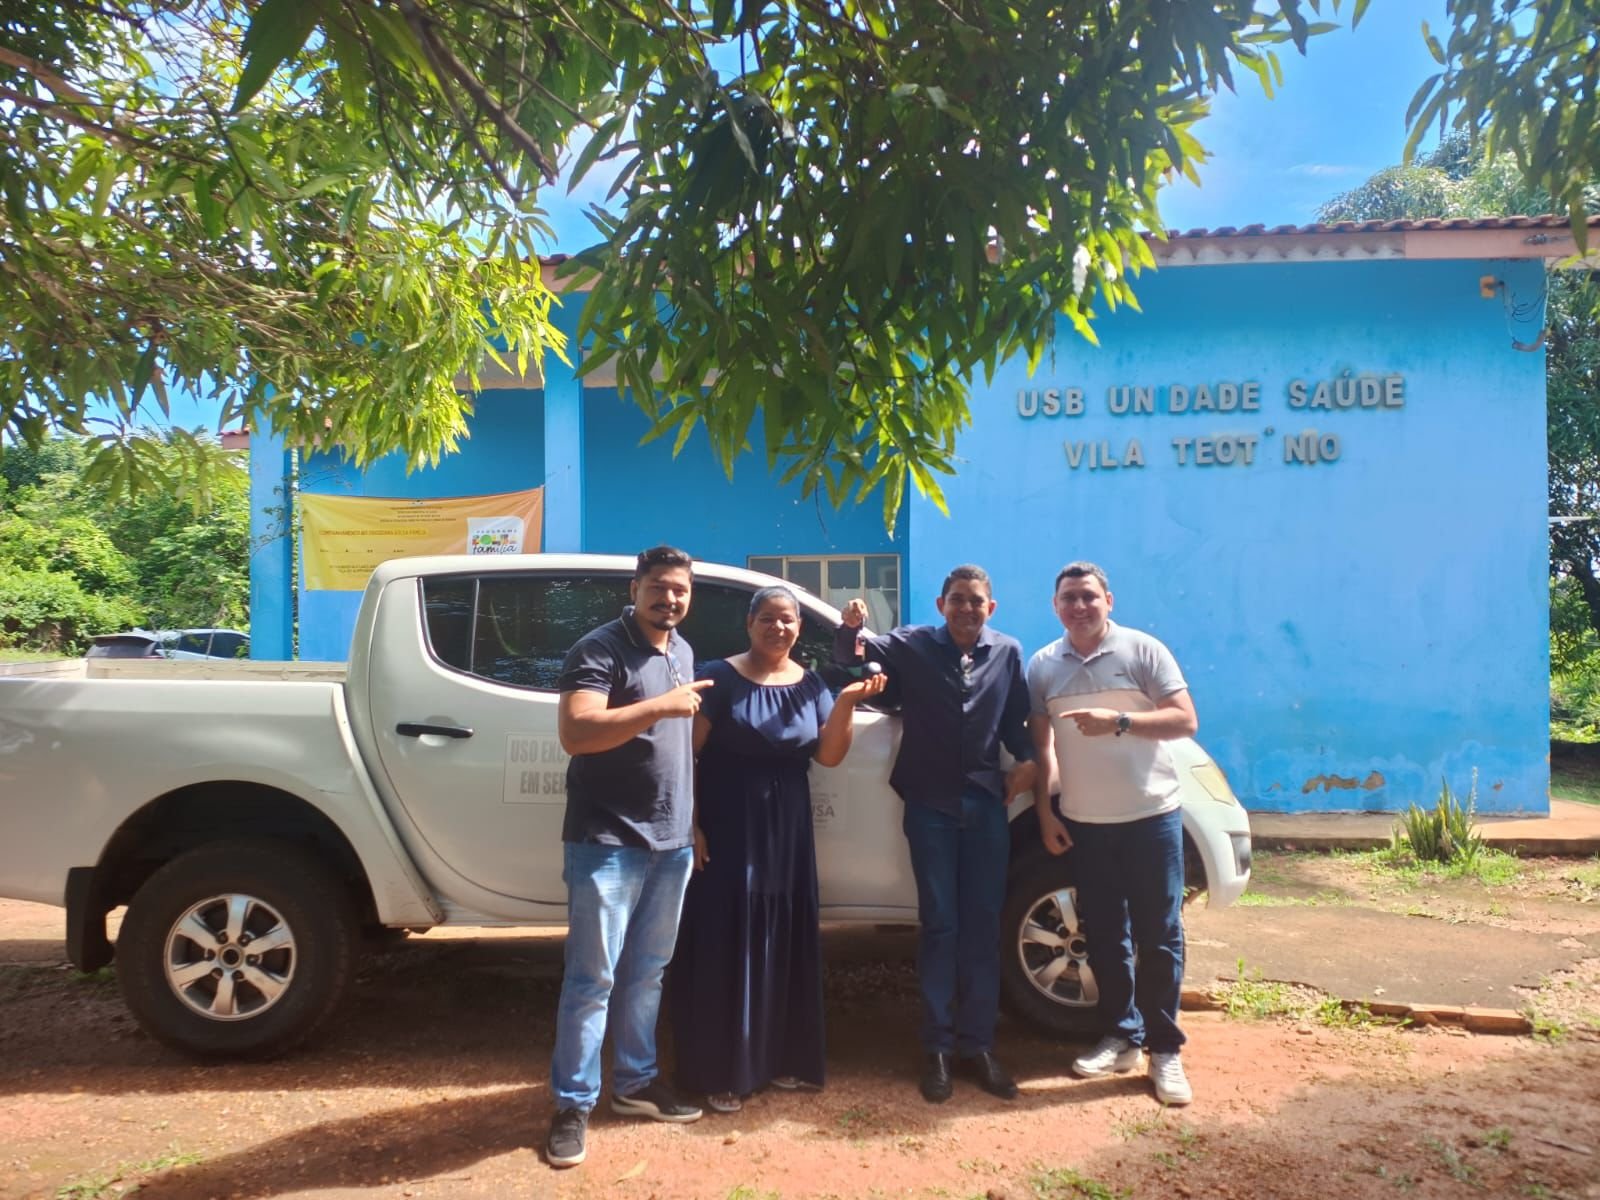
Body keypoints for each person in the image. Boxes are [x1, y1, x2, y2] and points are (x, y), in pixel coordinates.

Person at [670, 585, 887, 1113]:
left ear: (798, 627)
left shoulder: (810, 684)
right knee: (726, 942)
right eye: (767, 618)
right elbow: (686, 756)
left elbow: (830, 755)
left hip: (786, 831)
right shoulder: (719, 677)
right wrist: (692, 825)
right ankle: (720, 1070)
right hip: (725, 827)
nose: (778, 628)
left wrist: (847, 703)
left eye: (787, 620)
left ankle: (780, 1060)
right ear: (749, 625)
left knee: (780, 938)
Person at [834, 565, 1037, 1103]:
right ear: (941, 603)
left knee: (983, 925)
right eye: (958, 601)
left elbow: (1018, 719)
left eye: (977, 602)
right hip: (929, 805)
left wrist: (1032, 762)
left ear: (990, 609)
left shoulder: (1008, 653)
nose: (967, 609)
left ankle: (979, 1047)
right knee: (941, 925)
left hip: (985, 803)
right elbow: (855, 658)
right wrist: (850, 626)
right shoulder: (914, 645)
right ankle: (938, 1050)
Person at [545, 545, 713, 1168]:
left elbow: (677, 753)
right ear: (636, 585)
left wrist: (691, 823)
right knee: (593, 980)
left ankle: (636, 1085)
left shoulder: (681, 650)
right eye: (661, 587)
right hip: (607, 841)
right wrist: (661, 706)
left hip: (669, 843)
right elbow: (577, 732)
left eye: (680, 591)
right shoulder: (598, 648)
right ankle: (572, 1105)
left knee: (647, 974)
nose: (670, 599)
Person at [1025, 561, 1200, 1107]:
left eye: (1088, 597)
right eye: (1068, 599)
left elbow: (1184, 720)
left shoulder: (1143, 651)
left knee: (1159, 936)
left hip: (1151, 818)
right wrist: (1046, 814)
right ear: (1055, 607)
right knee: (1104, 937)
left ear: (1108, 600)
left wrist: (1120, 721)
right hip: (1085, 823)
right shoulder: (1043, 666)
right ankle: (1123, 1036)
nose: (1079, 607)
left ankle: (1165, 1050)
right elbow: (1041, 748)